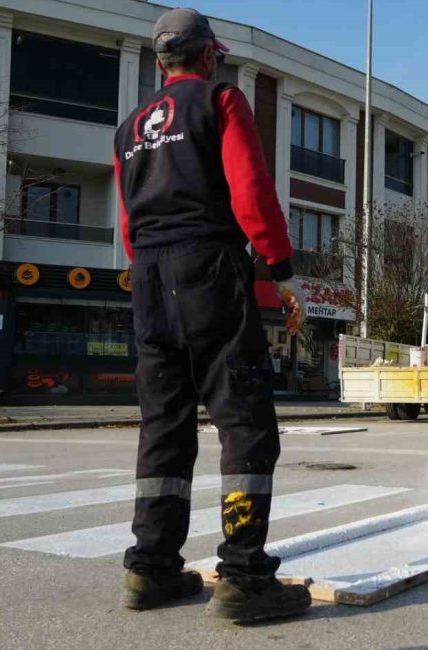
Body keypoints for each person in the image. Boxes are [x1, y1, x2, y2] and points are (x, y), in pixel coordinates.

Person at [113, 8, 311, 622]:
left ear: (159, 62)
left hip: (148, 273)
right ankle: (244, 576)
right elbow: (250, 190)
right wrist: (280, 268)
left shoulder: (129, 128)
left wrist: (152, 267)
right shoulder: (221, 100)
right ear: (205, 56)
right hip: (209, 268)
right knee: (244, 419)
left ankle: (151, 569)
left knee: (164, 425)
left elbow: (126, 220)